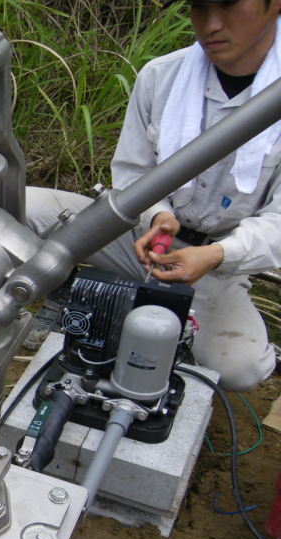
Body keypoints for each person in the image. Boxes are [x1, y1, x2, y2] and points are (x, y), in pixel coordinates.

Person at [25, 0, 281, 392]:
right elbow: (133, 172)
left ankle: (166, 321)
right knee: (18, 209)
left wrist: (216, 255)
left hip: (215, 264)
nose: (210, 25)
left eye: (229, 5)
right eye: (199, 7)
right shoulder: (161, 76)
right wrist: (157, 215)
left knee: (241, 368)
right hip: (137, 239)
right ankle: (70, 286)